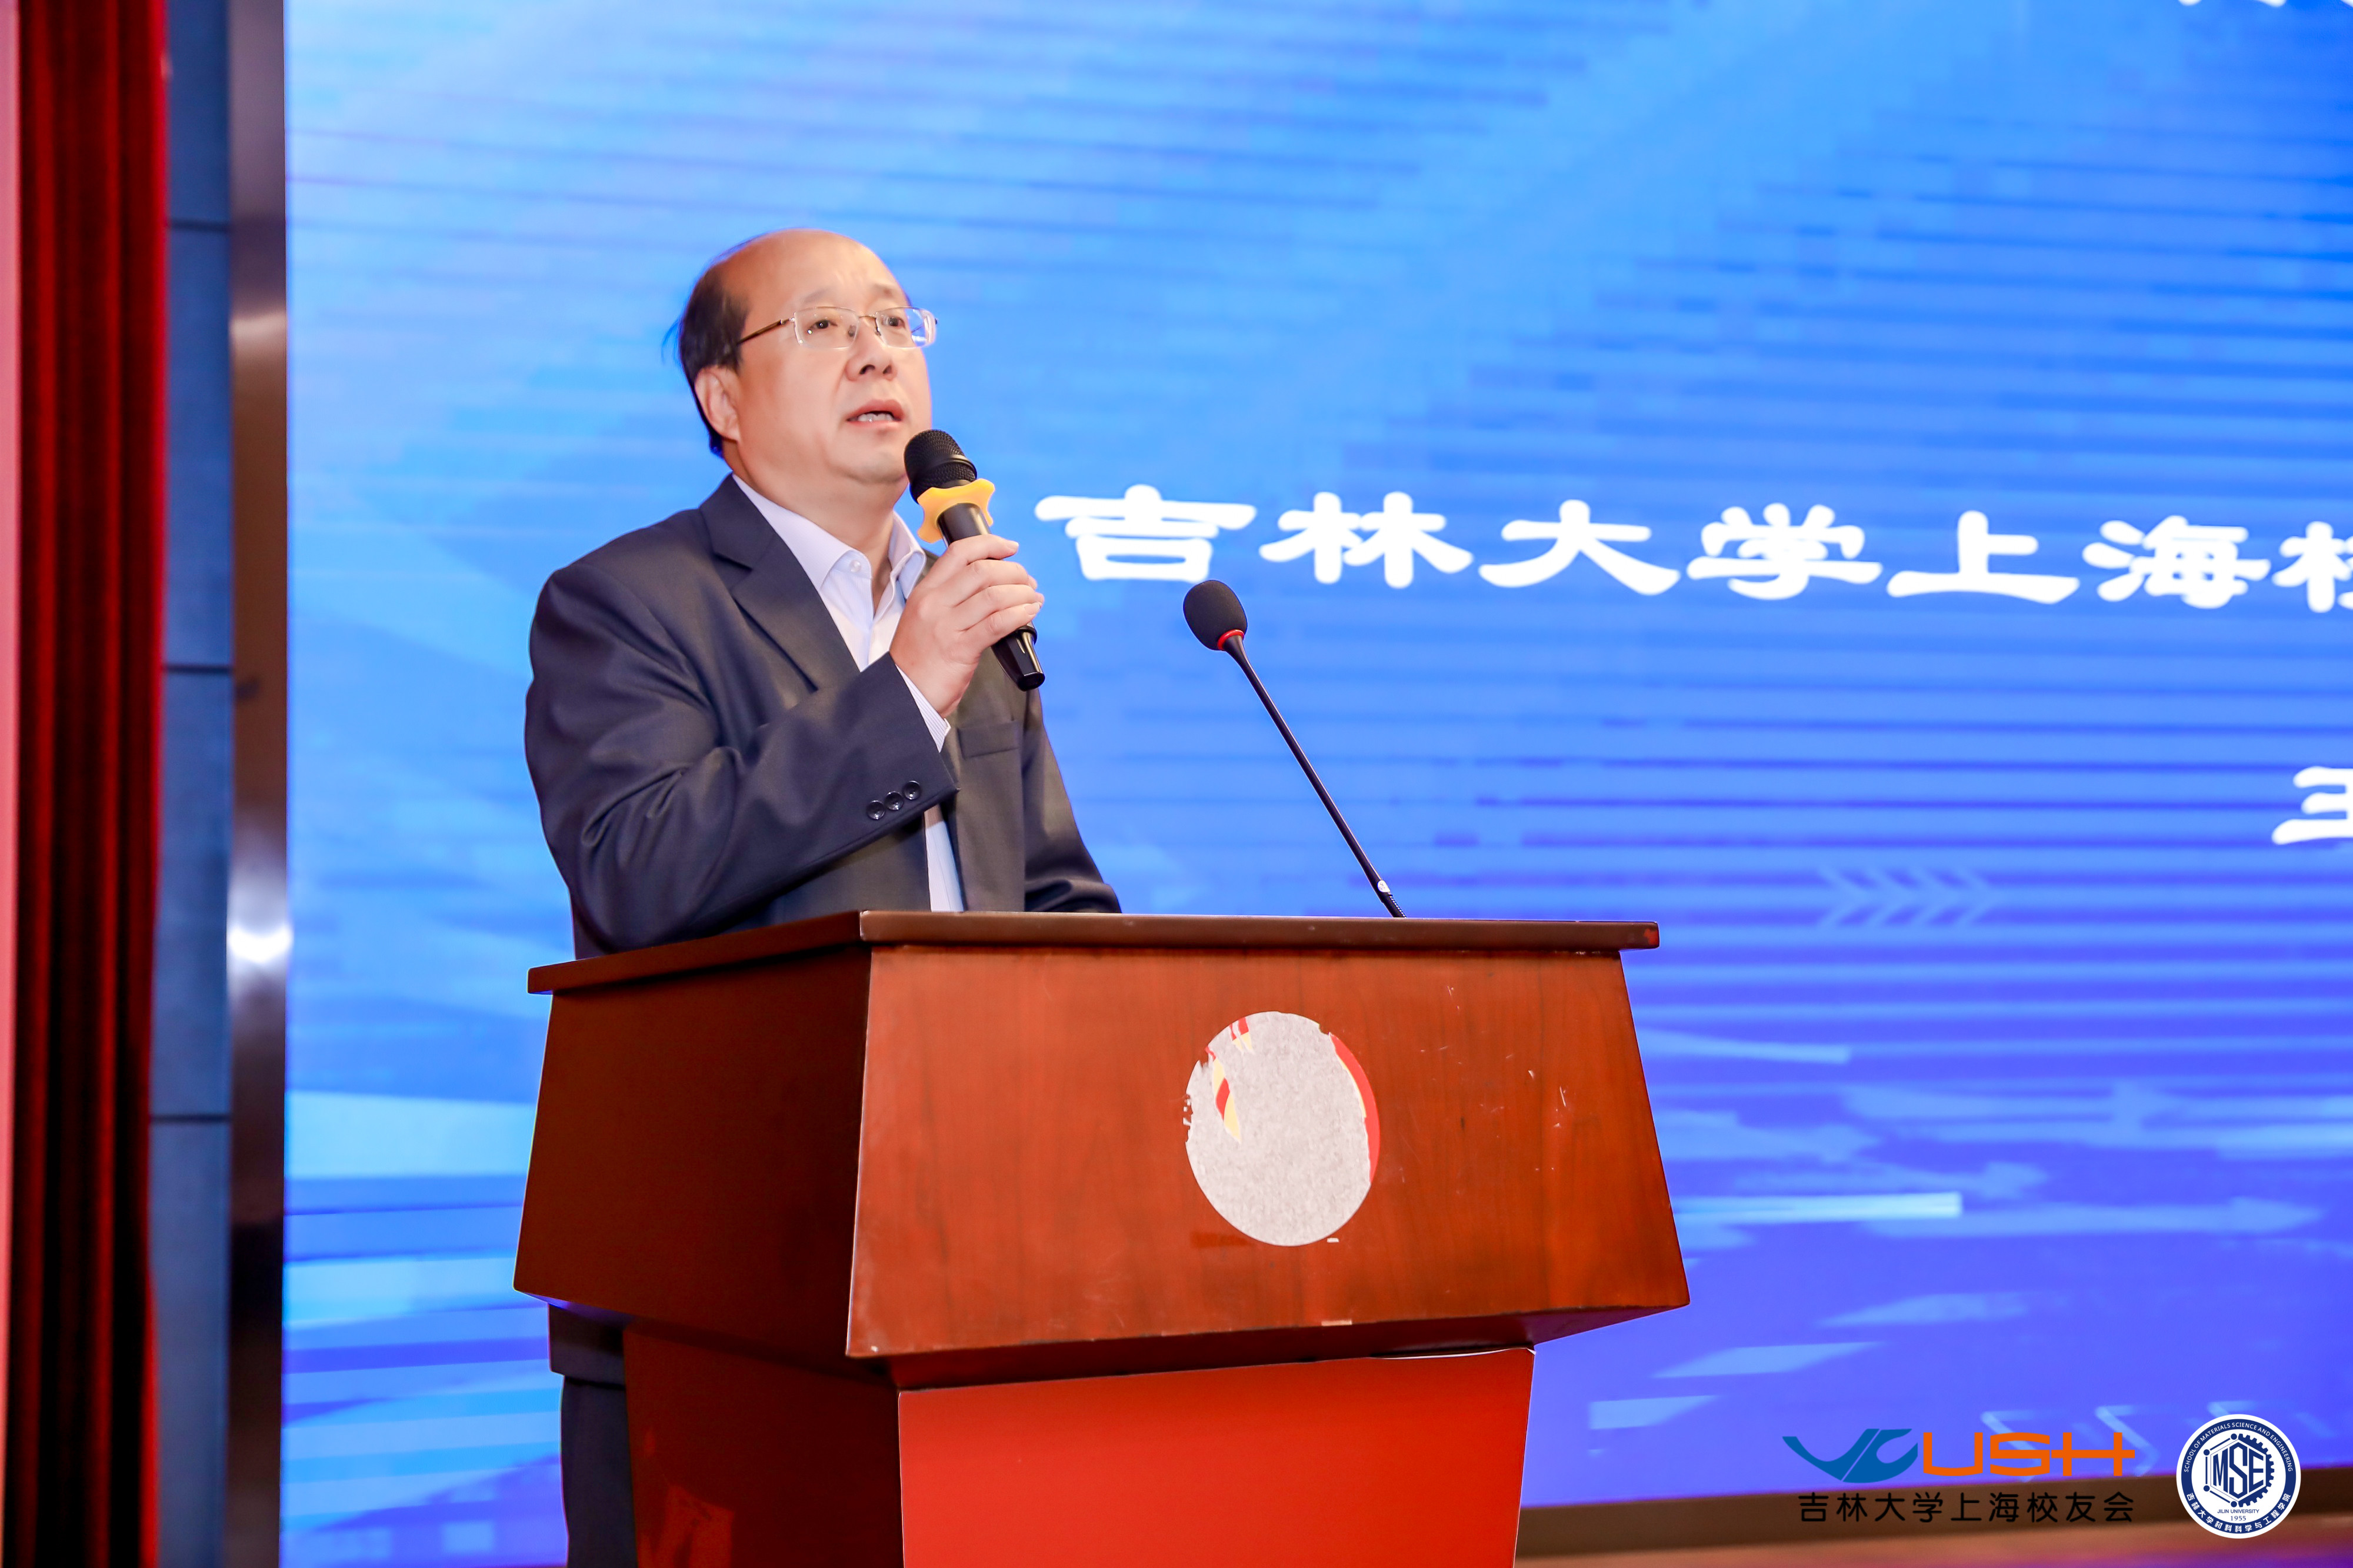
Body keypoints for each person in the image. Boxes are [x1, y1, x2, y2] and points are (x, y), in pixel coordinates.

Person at [523, 228, 1119, 1565]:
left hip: (990, 1256)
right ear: (721, 399)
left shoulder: (959, 606)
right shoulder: (626, 601)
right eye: (824, 326)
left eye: (896, 323)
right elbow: (637, 865)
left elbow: (1053, 900)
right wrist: (905, 689)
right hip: (736, 1283)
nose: (875, 353)